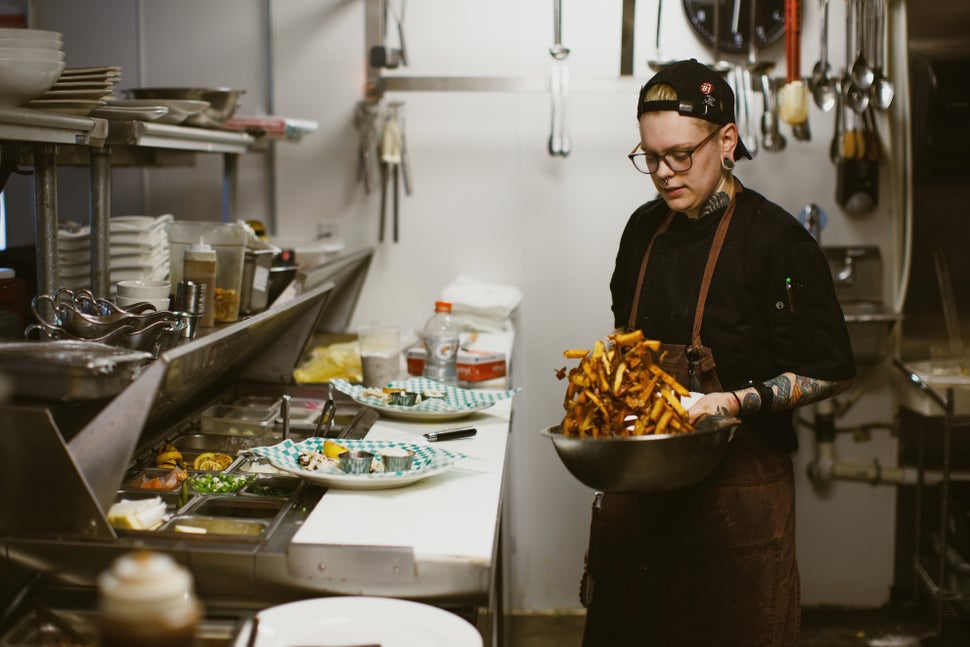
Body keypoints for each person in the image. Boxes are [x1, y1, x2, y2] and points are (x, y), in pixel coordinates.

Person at [580, 59, 856, 646]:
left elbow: (832, 370)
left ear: (726, 140)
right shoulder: (641, 231)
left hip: (738, 506)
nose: (663, 172)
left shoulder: (777, 242)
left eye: (680, 154)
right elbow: (625, 340)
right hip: (643, 497)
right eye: (649, 157)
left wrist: (737, 400)